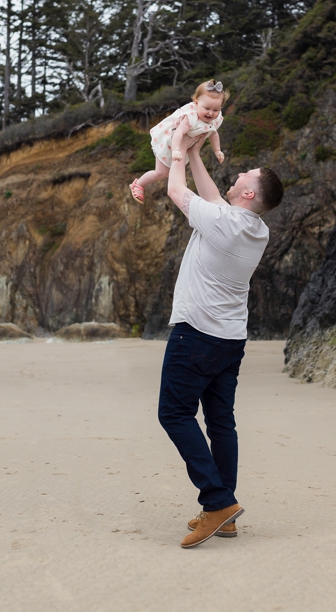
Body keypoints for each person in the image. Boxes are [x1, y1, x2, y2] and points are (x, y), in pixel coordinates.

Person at [156, 135, 285, 548]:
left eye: (245, 175)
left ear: (248, 191)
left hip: (196, 333)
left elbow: (178, 191)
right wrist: (195, 154)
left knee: (174, 414)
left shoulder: (224, 223)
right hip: (229, 340)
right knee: (220, 422)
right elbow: (213, 199)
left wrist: (177, 149)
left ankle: (216, 502)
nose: (238, 173)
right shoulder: (255, 229)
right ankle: (225, 511)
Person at [131, 80, 231, 203]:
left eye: (216, 110)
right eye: (207, 108)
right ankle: (138, 184)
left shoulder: (215, 119)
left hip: (183, 146)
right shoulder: (190, 117)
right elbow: (178, 133)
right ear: (196, 102)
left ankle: (166, 172)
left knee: (169, 171)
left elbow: (214, 133)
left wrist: (217, 150)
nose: (211, 113)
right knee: (160, 173)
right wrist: (176, 150)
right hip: (170, 145)